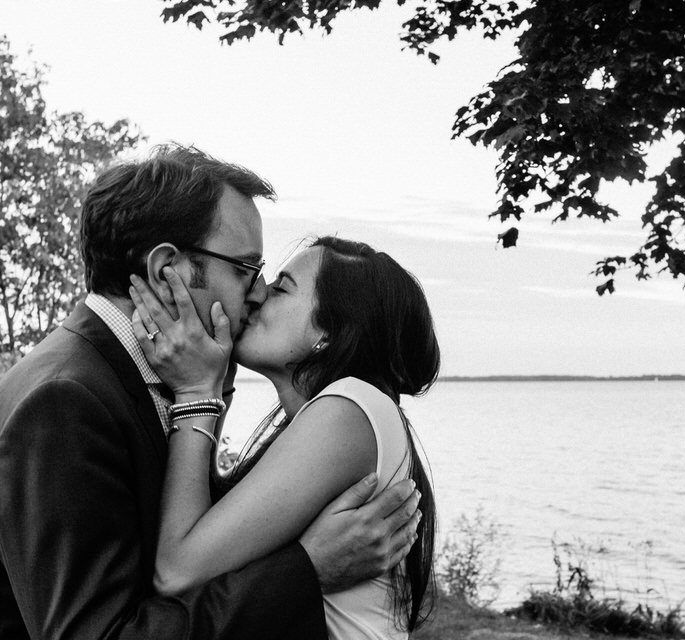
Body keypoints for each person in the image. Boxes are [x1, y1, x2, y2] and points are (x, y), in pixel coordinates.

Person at [0, 146, 420, 640]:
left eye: (272, 279)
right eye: (244, 268)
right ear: (166, 272)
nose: (258, 289)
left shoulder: (133, 379)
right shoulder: (66, 399)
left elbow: (191, 554)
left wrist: (207, 389)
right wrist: (307, 570)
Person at [127, 235, 440, 639]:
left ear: (329, 332)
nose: (257, 295)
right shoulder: (333, 417)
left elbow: (178, 572)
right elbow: (208, 533)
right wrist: (216, 386)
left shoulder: (350, 408)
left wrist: (196, 393)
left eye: (281, 287)